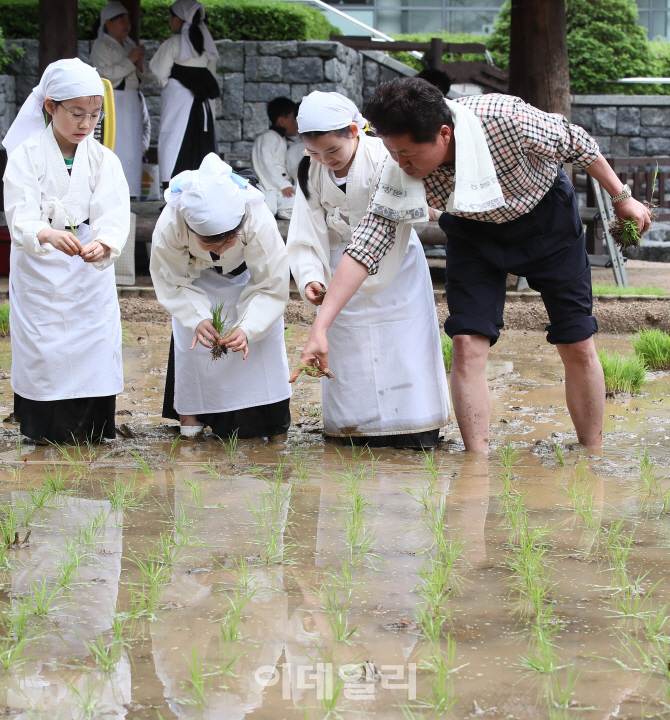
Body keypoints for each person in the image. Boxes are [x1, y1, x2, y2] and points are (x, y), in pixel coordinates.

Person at [293, 78, 653, 452]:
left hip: (546, 221)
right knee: (466, 342)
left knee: (575, 339)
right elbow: (367, 244)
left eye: (409, 154)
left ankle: (591, 452)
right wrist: (320, 328)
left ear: (443, 134)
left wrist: (622, 197)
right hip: (472, 231)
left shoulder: (506, 118)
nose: (400, 164)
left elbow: (577, 142)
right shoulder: (397, 168)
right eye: (392, 153)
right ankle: (476, 464)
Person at [287, 91, 449, 448]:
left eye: (333, 151)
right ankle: (353, 429)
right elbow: (305, 230)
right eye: (315, 152)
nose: (325, 160)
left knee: (404, 349)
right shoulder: (310, 170)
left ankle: (415, 428)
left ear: (354, 131)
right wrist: (311, 274)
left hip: (396, 268)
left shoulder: (385, 159)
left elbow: (389, 225)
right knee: (350, 353)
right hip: (339, 271)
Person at [2, 59, 130, 444]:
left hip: (87, 267)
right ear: (49, 107)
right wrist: (44, 233)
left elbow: (113, 210)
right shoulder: (26, 155)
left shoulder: (102, 159)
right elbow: (19, 211)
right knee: (44, 348)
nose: (85, 124)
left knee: (94, 343)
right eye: (76, 113)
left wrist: (104, 243)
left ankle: (92, 427)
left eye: (94, 115)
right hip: (40, 264)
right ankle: (41, 427)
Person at [150, 153, 291, 439]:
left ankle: (269, 422)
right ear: (189, 229)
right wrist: (197, 317)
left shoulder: (257, 216)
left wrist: (248, 328)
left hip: (248, 279)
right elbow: (172, 280)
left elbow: (271, 285)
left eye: (229, 240)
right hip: (195, 282)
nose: (222, 250)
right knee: (192, 348)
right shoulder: (171, 225)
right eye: (210, 243)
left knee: (263, 344)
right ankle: (193, 417)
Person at [149, 0, 220, 186]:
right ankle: (201, 188)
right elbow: (210, 73)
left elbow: (158, 71)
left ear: (177, 20)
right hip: (202, 104)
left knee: (174, 140)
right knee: (200, 143)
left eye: (170, 18)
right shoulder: (207, 44)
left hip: (178, 99)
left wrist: (171, 84)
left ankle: (172, 188)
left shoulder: (173, 43)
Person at [90, 1, 151, 197]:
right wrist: (130, 60)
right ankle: (113, 192)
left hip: (132, 100)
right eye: (121, 20)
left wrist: (139, 64)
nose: (126, 25)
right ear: (107, 22)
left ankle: (131, 190)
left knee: (132, 149)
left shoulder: (129, 45)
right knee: (116, 146)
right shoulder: (101, 47)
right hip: (114, 100)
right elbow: (106, 75)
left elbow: (145, 77)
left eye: (128, 21)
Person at [252, 97, 299, 220]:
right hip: (269, 186)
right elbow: (265, 164)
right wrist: (283, 185)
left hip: (284, 188)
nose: (296, 123)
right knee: (269, 209)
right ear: (282, 121)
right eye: (294, 119)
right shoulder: (267, 138)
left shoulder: (286, 142)